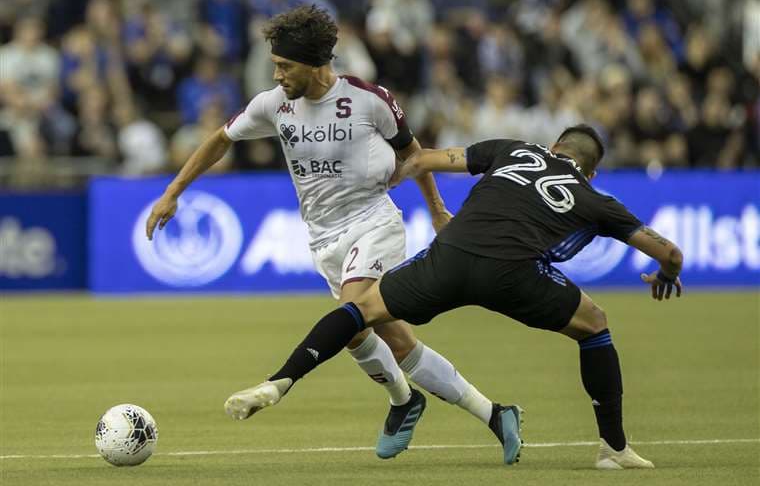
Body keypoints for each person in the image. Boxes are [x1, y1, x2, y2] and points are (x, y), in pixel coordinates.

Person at [146, 5, 506, 460]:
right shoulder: (273, 105)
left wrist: (436, 210)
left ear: (315, 64)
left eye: (285, 66)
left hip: (374, 222)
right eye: (275, 65)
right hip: (323, 239)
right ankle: (473, 410)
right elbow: (221, 139)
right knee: (379, 337)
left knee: (352, 312)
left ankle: (290, 384)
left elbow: (414, 155)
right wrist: (172, 192)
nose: (276, 75)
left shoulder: (369, 100)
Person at [224, 124, 685, 469]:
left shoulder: (514, 150)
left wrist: (400, 188)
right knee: (595, 324)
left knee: (360, 311)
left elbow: (424, 160)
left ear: (552, 146)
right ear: (592, 170)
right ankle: (614, 449)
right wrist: (666, 273)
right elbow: (670, 252)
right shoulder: (594, 198)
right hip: (514, 275)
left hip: (449, 258)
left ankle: (280, 381)